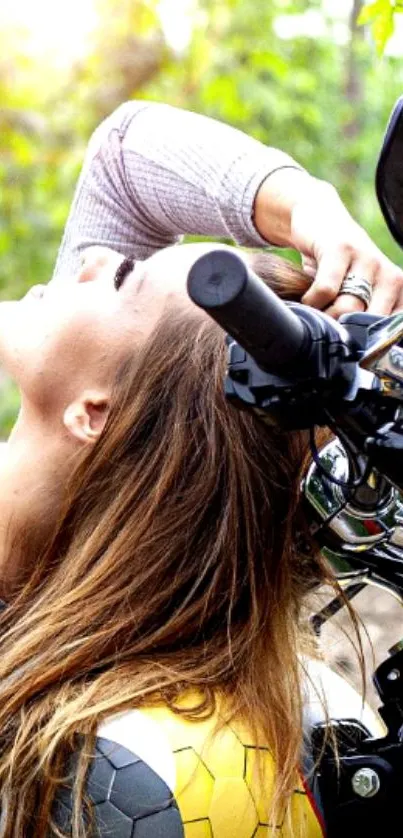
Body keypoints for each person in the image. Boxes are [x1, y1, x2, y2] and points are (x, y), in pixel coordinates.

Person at [0, 100, 398, 838]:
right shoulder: (89, 513)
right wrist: (313, 214)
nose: (90, 257)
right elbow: (124, 160)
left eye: (122, 276)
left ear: (96, 412)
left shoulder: (113, 770)